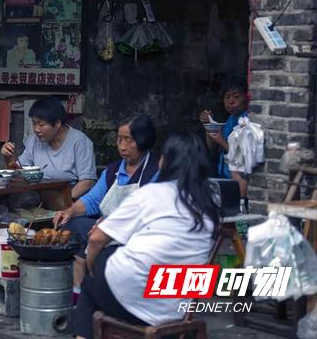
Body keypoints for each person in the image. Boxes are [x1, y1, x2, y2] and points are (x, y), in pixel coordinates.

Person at [73, 132, 221, 339]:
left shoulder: (152, 194)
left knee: (90, 286)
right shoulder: (212, 198)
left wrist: (90, 267)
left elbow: (97, 238)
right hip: (179, 306)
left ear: (165, 162)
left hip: (136, 300)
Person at [53, 115, 159, 302]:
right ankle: (78, 290)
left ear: (143, 140)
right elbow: (93, 200)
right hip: (105, 227)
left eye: (129, 140)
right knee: (73, 225)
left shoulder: (155, 171)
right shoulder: (114, 170)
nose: (122, 146)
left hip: (137, 231)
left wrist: (109, 225)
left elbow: (149, 212)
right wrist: (69, 210)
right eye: (119, 139)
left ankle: (93, 289)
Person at [1, 97, 96, 199]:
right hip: (40, 197)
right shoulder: (34, 141)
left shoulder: (80, 142)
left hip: (71, 198)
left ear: (57, 123)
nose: (36, 129)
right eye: (34, 123)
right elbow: (18, 173)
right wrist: (8, 157)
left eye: (41, 124)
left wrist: (63, 202)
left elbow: (87, 181)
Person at [199, 77, 249, 200]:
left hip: (239, 182)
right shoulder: (230, 119)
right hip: (224, 177)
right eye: (227, 97)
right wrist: (209, 127)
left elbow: (242, 156)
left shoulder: (248, 120)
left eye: (236, 97)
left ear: (246, 98)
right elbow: (213, 150)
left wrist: (221, 141)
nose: (231, 101)